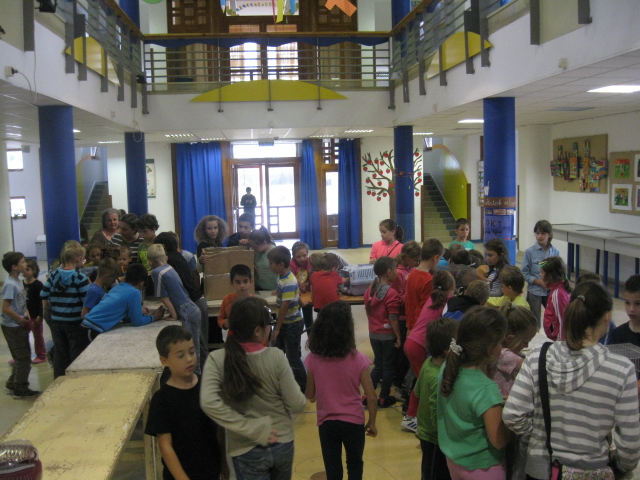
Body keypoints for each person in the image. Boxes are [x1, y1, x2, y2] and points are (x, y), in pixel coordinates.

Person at [503, 281, 640, 479]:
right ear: (607, 316)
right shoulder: (622, 370)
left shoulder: (537, 357)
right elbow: (629, 443)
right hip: (593, 469)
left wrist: (541, 432)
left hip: (542, 470)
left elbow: (512, 415)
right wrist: (620, 465)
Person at [200, 296, 307, 480]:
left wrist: (249, 427)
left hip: (245, 449)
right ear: (258, 331)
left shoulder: (217, 359)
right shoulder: (276, 356)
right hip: (282, 442)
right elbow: (297, 404)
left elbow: (209, 403)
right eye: (268, 325)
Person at [305, 301, 378, 480]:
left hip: (327, 423)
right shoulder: (358, 359)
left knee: (333, 469)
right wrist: (372, 422)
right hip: (353, 421)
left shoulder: (313, 359)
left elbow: (310, 395)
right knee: (355, 465)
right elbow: (371, 397)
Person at [438, 307, 510, 478]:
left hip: (454, 461)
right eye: (500, 342)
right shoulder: (486, 388)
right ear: (490, 347)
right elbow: (498, 440)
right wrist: (511, 416)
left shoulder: (447, 367)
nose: (502, 347)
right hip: (484, 467)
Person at [145, 325, 224, 480]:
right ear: (164, 361)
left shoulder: (208, 387)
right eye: (180, 355)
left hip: (211, 472)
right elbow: (165, 446)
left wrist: (225, 466)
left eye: (192, 352)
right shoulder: (161, 400)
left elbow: (219, 431)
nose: (189, 359)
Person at [403, 271, 455, 433]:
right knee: (424, 383)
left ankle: (411, 415)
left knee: (420, 381)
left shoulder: (432, 298)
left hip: (412, 342)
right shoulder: (447, 301)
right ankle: (411, 416)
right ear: (451, 287)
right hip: (419, 345)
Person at [154, 232, 210, 370]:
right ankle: (204, 375)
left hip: (193, 303)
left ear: (164, 247)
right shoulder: (179, 256)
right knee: (200, 345)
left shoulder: (169, 262)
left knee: (195, 346)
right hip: (197, 301)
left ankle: (201, 377)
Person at [415, 318, 458, 480]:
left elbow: (417, 391)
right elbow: (436, 414)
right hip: (434, 438)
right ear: (447, 350)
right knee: (434, 474)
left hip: (426, 432)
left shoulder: (428, 363)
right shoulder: (438, 377)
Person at [41, 240, 90, 378]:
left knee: (60, 352)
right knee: (75, 352)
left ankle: (59, 379)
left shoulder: (53, 275)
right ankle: (74, 380)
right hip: (74, 321)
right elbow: (86, 301)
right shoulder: (81, 278)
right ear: (78, 258)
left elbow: (43, 294)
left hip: (56, 320)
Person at [82, 264, 166, 338]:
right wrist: (155, 317)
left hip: (86, 325)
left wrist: (137, 312)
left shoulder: (118, 287)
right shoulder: (135, 292)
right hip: (93, 328)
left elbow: (125, 316)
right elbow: (137, 321)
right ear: (142, 284)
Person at [267, 245, 307, 391]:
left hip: (291, 324)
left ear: (281, 265)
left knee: (293, 358)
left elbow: (284, 307)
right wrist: (278, 291)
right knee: (276, 351)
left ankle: (304, 386)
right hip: (286, 323)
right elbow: (292, 294)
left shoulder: (289, 281)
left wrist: (277, 329)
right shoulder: (282, 276)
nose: (269, 266)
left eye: (271, 263)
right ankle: (278, 382)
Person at [365, 256, 401, 408]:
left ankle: (367, 395)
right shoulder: (391, 293)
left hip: (373, 334)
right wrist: (398, 337)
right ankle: (384, 397)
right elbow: (393, 318)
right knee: (388, 367)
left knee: (378, 365)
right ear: (389, 272)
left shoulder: (369, 290)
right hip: (387, 336)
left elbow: (368, 312)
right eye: (396, 270)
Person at [2, 252, 39, 398]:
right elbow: (5, 308)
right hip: (13, 326)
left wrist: (26, 312)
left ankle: (13, 381)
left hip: (18, 323)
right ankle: (21, 387)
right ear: (14, 267)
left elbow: (20, 301)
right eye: (23, 262)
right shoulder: (10, 284)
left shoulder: (18, 281)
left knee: (20, 356)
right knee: (23, 358)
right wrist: (19, 319)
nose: (26, 264)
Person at [520, 220, 560, 326]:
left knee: (554, 318)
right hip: (534, 292)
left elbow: (559, 272)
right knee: (534, 321)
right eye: (537, 233)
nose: (539, 236)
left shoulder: (555, 252)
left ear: (549, 234)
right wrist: (538, 281)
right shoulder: (529, 252)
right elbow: (524, 273)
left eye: (543, 233)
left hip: (550, 291)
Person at [406, 239, 443, 331]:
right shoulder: (429, 280)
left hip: (411, 323)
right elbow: (423, 309)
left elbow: (408, 302)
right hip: (420, 327)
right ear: (435, 258)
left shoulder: (411, 274)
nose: (438, 262)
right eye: (439, 259)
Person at [540, 256, 571, 341]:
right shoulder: (555, 289)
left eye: (542, 272)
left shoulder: (557, 294)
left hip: (557, 340)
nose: (540, 274)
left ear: (550, 275)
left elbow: (562, 321)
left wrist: (560, 343)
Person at [218, 264, 253, 333]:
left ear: (251, 282)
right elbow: (221, 317)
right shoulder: (227, 299)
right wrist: (224, 323)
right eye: (238, 282)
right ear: (231, 283)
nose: (242, 285)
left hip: (251, 336)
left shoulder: (256, 301)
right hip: (233, 335)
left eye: (245, 281)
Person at [23, 259, 46, 365]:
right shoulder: (21, 284)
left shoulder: (38, 285)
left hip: (35, 316)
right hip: (25, 316)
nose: (24, 272)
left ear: (34, 270)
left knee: (38, 337)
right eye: (24, 269)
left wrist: (40, 315)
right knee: (23, 337)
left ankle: (41, 355)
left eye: (27, 269)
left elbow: (42, 301)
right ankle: (23, 356)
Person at [290, 241, 313, 330]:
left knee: (308, 317)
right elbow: (291, 280)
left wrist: (307, 284)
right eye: (298, 256)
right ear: (293, 256)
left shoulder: (310, 262)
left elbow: (313, 277)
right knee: (296, 317)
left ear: (307, 254)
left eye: (304, 255)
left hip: (307, 293)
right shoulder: (291, 265)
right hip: (296, 293)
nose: (302, 259)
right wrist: (299, 286)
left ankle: (310, 335)